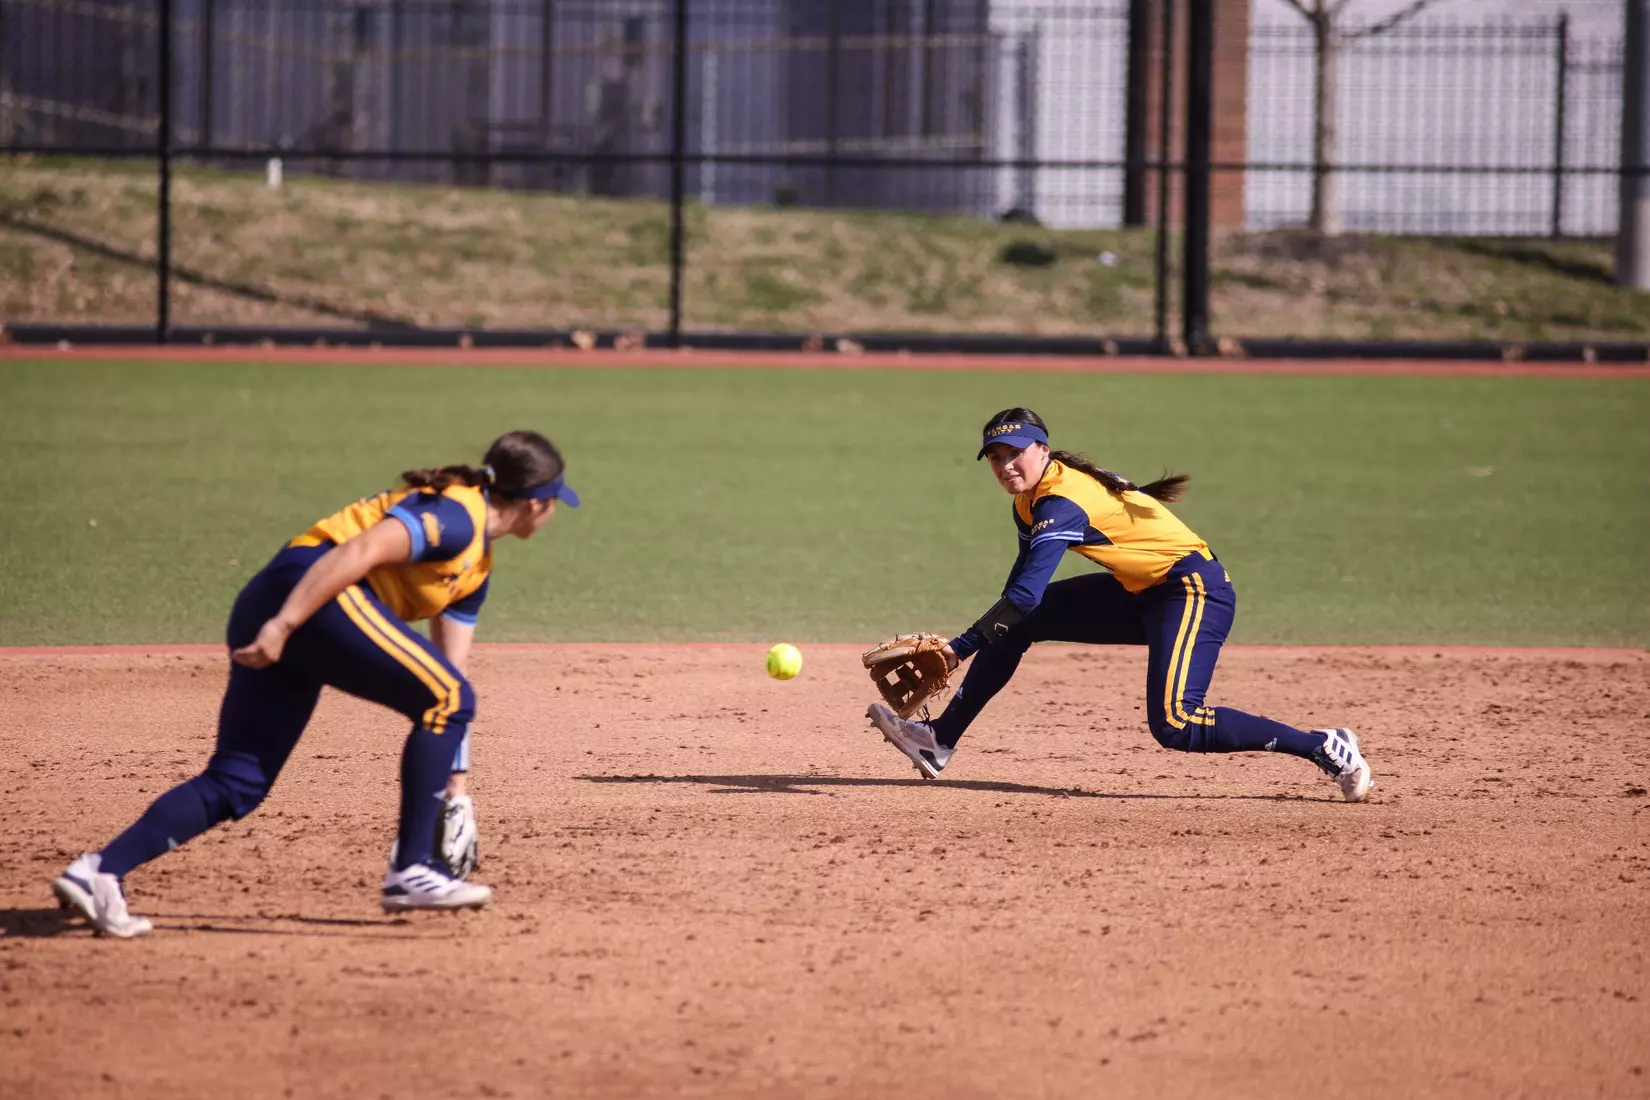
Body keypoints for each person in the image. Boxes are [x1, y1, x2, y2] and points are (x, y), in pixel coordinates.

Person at [51, 430, 579, 938]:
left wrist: (457, 795)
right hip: (305, 591)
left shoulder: (475, 571)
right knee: (448, 699)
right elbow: (356, 553)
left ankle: (99, 872)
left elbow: (450, 681)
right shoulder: (456, 516)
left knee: (239, 782)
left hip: (298, 608)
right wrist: (282, 624)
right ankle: (412, 868)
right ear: (537, 503)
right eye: (557, 503)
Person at [865, 408, 1372, 802]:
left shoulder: (1063, 501)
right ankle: (938, 739)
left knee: (1175, 723)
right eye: (995, 457)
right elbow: (1023, 589)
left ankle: (1325, 746)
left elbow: (1022, 594)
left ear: (1042, 449)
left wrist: (958, 649)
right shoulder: (1032, 497)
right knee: (1020, 623)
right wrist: (987, 631)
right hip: (1141, 591)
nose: (1005, 465)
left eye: (1014, 452)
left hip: (1193, 592)